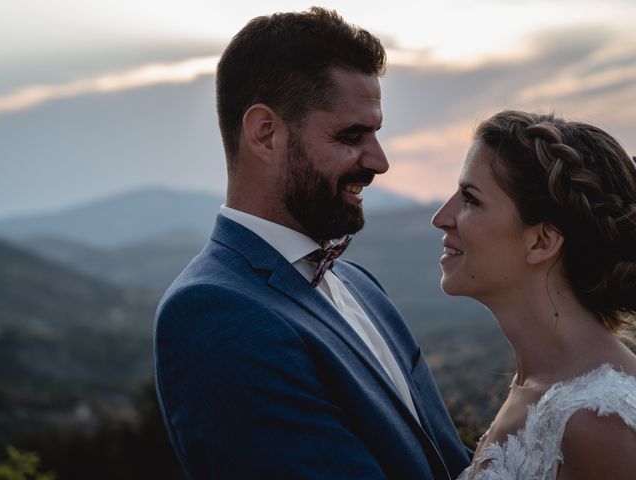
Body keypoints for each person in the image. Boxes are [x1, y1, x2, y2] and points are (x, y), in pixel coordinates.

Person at [154, 7, 470, 479]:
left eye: (376, 133)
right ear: (266, 133)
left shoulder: (360, 285)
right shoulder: (213, 312)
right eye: (351, 135)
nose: (380, 162)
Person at [432, 110, 636, 479]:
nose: (441, 217)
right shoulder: (537, 382)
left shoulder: (599, 422)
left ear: (542, 241)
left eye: (470, 198)